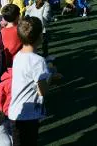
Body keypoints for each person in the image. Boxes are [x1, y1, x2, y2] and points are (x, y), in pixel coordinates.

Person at [9, 17, 59, 146]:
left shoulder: (18, 56)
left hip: (17, 110)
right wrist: (51, 78)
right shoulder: (38, 61)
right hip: (29, 114)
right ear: (39, 37)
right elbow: (42, 91)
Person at [0, 4, 22, 69]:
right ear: (17, 16)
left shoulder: (2, 31)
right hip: (18, 61)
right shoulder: (19, 30)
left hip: (6, 62)